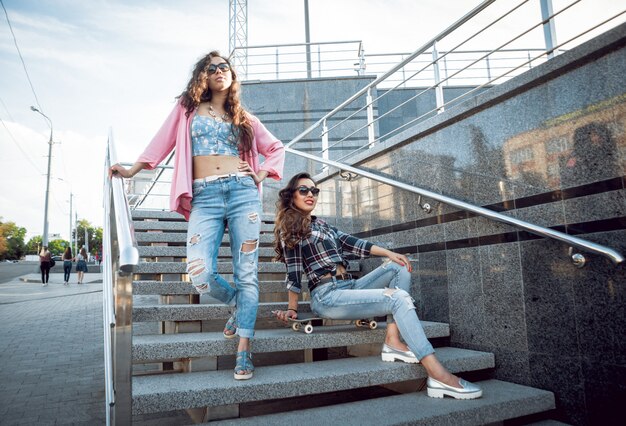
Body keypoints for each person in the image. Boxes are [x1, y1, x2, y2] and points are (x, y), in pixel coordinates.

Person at [109, 51, 285, 380]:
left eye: (225, 67)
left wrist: (261, 175)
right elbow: (161, 141)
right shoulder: (187, 108)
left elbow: (275, 148)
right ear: (202, 75)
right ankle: (238, 304)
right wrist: (132, 169)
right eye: (212, 67)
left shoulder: (243, 117)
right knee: (199, 271)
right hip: (205, 195)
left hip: (243, 193)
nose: (220, 71)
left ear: (232, 76)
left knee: (247, 275)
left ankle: (244, 350)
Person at [272, 173, 482, 400]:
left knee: (398, 266)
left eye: (314, 191)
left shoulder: (322, 224)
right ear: (291, 195)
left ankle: (392, 340)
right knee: (398, 298)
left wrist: (390, 253)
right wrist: (292, 309)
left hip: (350, 286)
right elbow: (293, 273)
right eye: (304, 190)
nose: (310, 194)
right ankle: (437, 373)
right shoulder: (290, 228)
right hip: (327, 296)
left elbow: (356, 244)